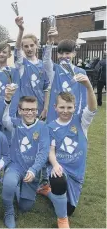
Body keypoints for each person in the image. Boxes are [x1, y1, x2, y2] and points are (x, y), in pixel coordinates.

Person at [37, 74, 97, 228]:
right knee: (58, 179)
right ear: (55, 107)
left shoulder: (81, 122)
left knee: (70, 209)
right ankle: (62, 220)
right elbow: (51, 151)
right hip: (59, 167)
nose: (65, 111)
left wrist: (89, 86)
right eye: (62, 107)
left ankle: (46, 191)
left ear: (74, 107)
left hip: (77, 172)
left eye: (69, 107)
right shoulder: (50, 127)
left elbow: (92, 108)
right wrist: (56, 164)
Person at [1, 85, 50, 228]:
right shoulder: (15, 124)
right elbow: (4, 119)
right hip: (15, 165)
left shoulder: (43, 127)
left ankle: (19, 188)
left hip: (32, 170)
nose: (30, 112)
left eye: (33, 109)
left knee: (25, 206)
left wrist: (34, 170)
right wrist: (7, 100)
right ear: (20, 111)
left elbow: (43, 152)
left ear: (37, 110)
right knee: (8, 184)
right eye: (26, 109)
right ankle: (9, 212)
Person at [43, 28, 87, 123]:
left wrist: (81, 114)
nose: (64, 56)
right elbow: (46, 61)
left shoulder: (81, 72)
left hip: (72, 115)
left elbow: (84, 96)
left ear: (74, 54)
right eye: (61, 53)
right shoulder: (54, 70)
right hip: (55, 116)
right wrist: (50, 41)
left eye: (67, 53)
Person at [14, 16, 50, 121]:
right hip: (24, 110)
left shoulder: (43, 65)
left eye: (31, 45)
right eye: (25, 46)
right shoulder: (21, 64)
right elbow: (17, 48)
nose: (29, 48)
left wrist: (46, 108)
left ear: (36, 45)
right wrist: (21, 30)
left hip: (39, 110)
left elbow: (46, 89)